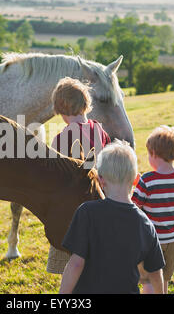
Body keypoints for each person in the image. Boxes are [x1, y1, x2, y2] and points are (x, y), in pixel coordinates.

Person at [59, 140, 165, 294]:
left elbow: (76, 264)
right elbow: (155, 273)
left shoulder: (87, 212)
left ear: (100, 179)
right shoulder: (145, 223)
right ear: (136, 179)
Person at [46, 77, 111, 275]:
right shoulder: (99, 129)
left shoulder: (62, 138)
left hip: (73, 211)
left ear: (59, 108)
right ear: (85, 103)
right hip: (100, 201)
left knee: (71, 266)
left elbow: (55, 178)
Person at [132, 125, 174, 294]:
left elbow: (134, 207)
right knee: (164, 279)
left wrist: (134, 187)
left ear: (154, 153)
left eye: (148, 154)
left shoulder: (147, 180)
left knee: (148, 279)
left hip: (153, 239)